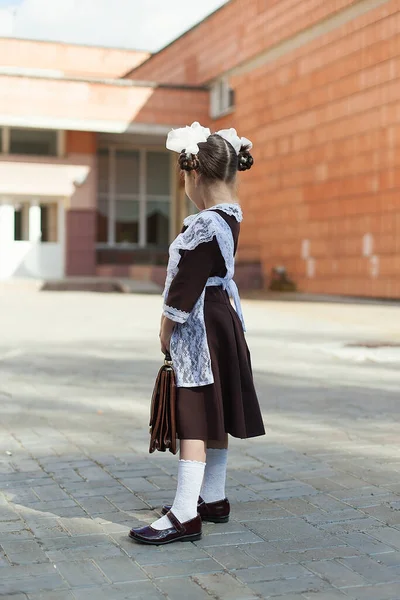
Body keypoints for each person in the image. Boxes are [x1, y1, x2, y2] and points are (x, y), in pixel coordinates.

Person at [129, 122, 265, 545]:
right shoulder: (229, 216)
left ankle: (186, 513)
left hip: (200, 327)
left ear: (195, 176)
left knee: (193, 414)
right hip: (222, 322)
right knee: (215, 406)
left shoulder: (203, 225)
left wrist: (166, 327)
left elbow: (184, 287)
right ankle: (214, 497)